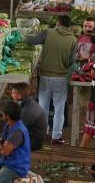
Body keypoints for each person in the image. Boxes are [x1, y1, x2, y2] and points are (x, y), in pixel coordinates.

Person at [25, 14, 76, 146]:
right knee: (59, 108)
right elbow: (71, 62)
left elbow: (32, 41)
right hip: (60, 78)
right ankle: (56, 137)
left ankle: (42, 133)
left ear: (58, 23)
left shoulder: (48, 32)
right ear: (69, 27)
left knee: (43, 107)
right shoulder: (73, 39)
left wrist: (19, 35)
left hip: (45, 76)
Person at [8, 83, 46, 151]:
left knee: (7, 142)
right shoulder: (29, 102)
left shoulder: (28, 109)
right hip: (32, 136)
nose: (11, 95)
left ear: (19, 96)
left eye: (13, 93)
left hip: (34, 142)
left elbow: (17, 129)